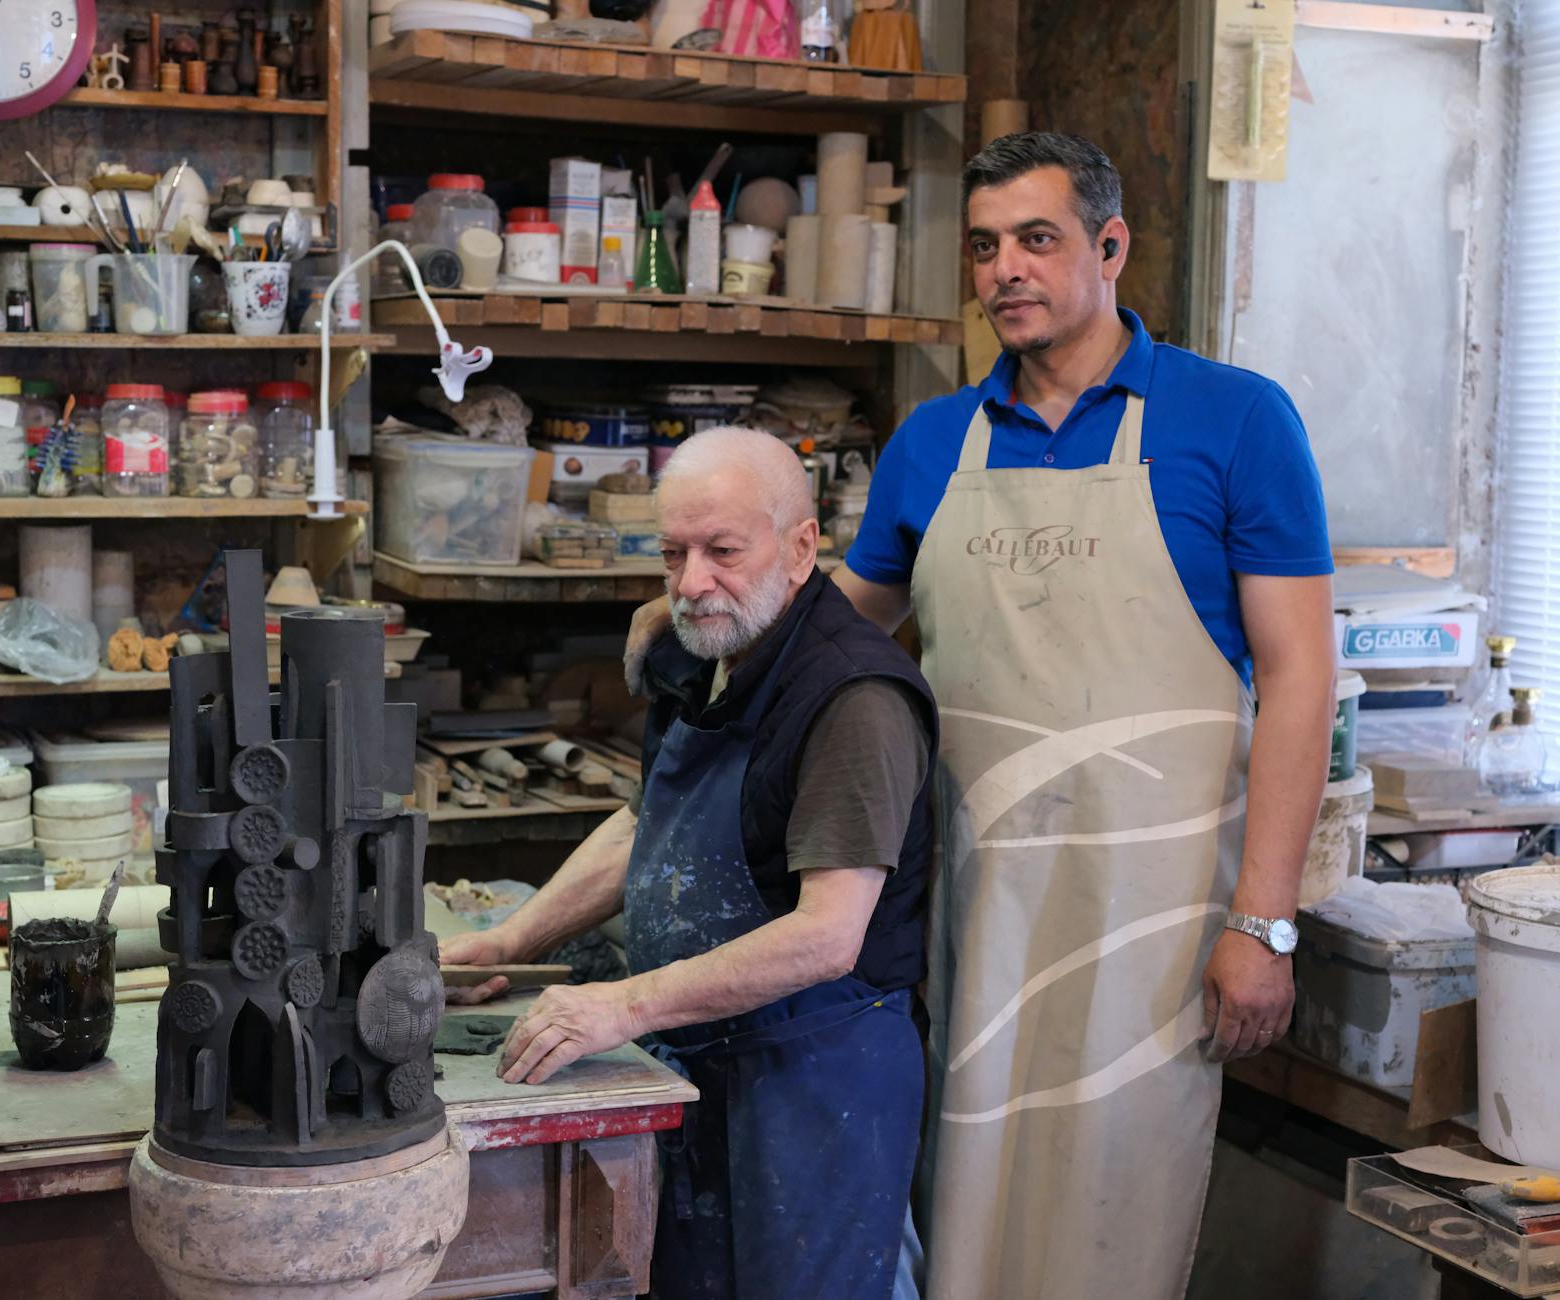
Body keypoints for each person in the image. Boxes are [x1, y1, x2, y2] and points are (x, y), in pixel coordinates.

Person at [625, 133, 1338, 1298]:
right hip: (968, 902)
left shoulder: (1235, 422)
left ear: (1109, 248)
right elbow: (824, 635)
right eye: (984, 246)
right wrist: (702, 599)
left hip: (1149, 921)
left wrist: (1263, 925)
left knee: (1114, 1215)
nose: (1005, 268)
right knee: (951, 1220)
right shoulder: (932, 444)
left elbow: (1299, 680)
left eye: (1037, 240)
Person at [443, 425, 939, 1300]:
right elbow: (650, 826)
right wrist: (507, 941)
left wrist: (622, 1005)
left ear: (800, 547)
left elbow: (827, 937)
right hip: (697, 1054)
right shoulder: (708, 650)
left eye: (721, 552)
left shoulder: (853, 699)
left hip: (813, 1078)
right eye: (672, 554)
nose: (691, 584)